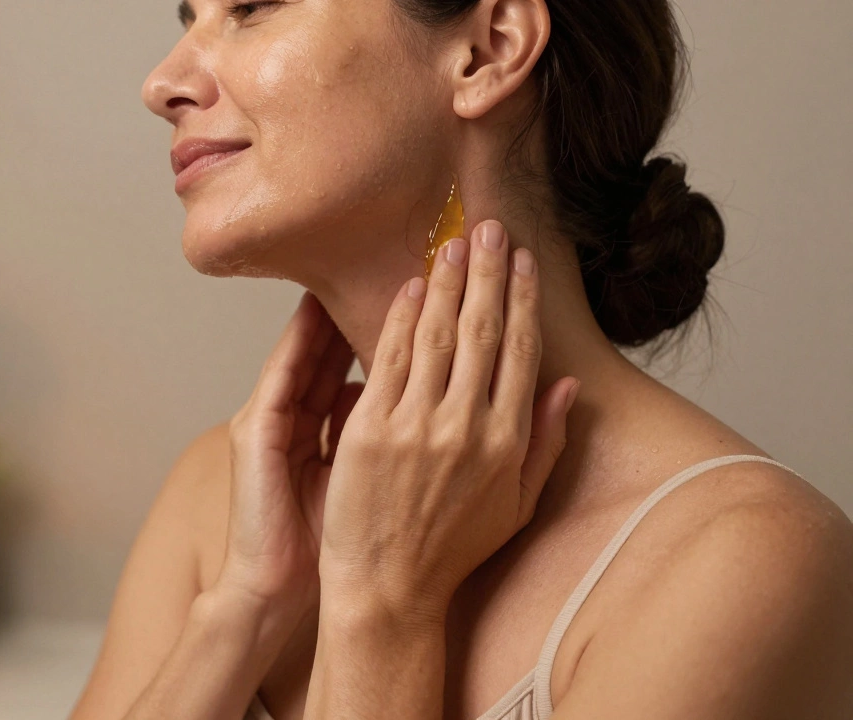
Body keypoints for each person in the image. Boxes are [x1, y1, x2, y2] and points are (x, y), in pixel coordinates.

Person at [71, 0, 853, 718]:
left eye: (251, 7)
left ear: (489, 48)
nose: (161, 83)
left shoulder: (741, 561)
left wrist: (383, 603)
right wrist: (243, 611)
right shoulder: (223, 503)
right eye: (189, 18)